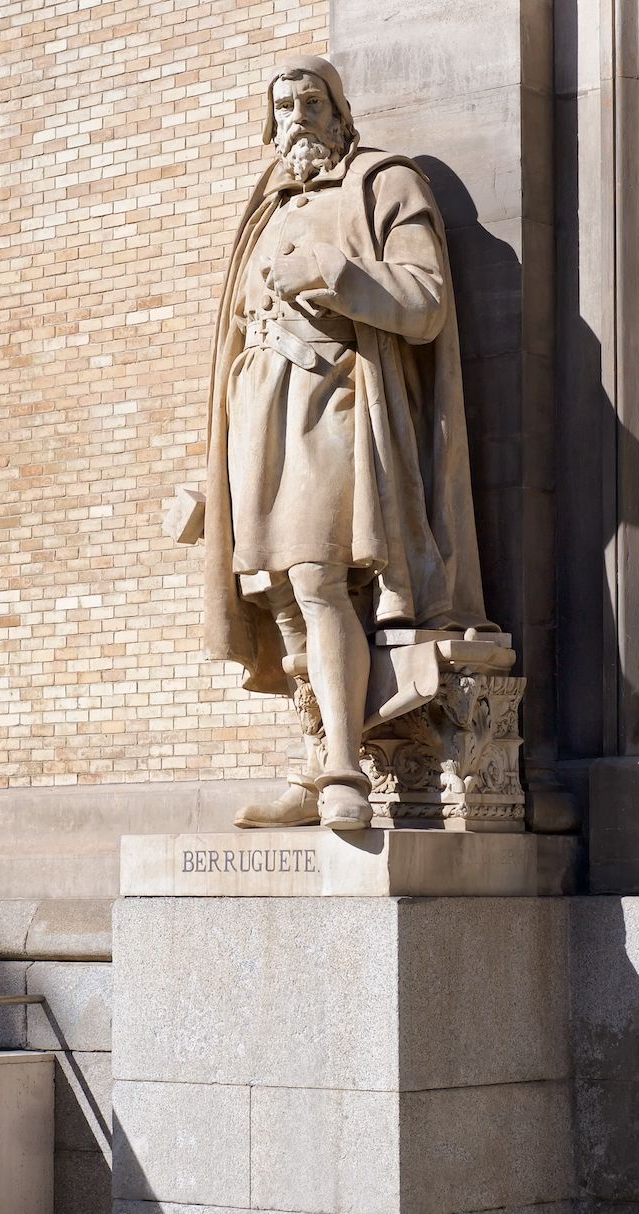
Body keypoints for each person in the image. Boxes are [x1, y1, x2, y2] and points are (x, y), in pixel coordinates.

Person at [204, 54, 490, 829]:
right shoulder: (264, 209)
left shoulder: (384, 183)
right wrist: (208, 471)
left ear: (339, 113)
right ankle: (313, 758)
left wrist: (333, 269)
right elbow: (231, 337)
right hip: (258, 411)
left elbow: (426, 301)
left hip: (335, 401)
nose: (296, 117)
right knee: (279, 594)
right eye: (283, 106)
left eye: (309, 101)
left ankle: (344, 771)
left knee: (318, 574)